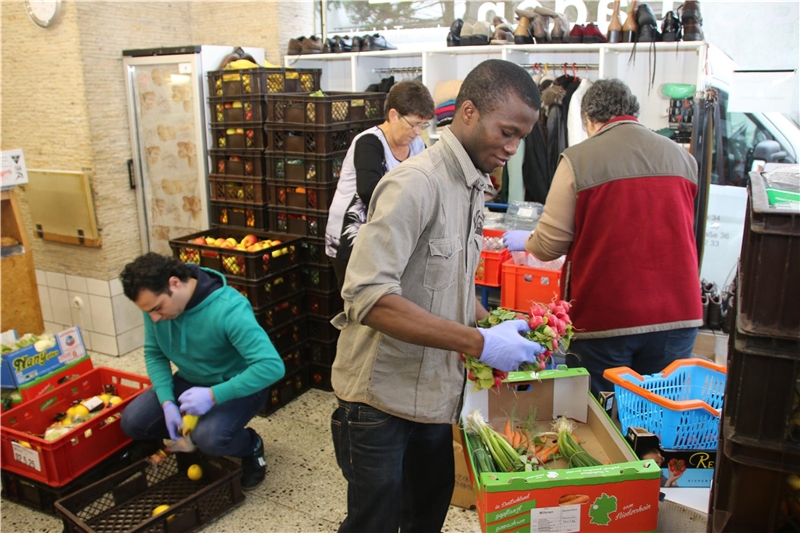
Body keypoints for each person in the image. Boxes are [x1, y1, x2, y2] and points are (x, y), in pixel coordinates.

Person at [329, 59, 544, 533]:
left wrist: (494, 324)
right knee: (376, 524)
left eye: (520, 138)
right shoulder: (416, 183)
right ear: (468, 112)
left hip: (431, 398)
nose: (512, 148)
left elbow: (450, 281)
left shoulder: (470, 186)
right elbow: (368, 296)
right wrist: (479, 345)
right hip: (379, 403)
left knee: (425, 517)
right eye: (506, 132)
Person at [503, 78, 703, 398]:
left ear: (588, 121)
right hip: (679, 313)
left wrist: (527, 240)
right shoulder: (682, 158)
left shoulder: (578, 159)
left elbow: (549, 245)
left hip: (607, 316)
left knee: (598, 415)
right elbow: (688, 236)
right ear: (633, 111)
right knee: (657, 414)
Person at [118, 253, 285, 490]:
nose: (154, 318)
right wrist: (166, 402)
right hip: (190, 381)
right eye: (148, 312)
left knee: (210, 438)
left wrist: (213, 396)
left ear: (174, 283)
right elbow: (154, 353)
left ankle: (251, 444)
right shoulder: (155, 307)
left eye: (157, 308)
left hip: (239, 385)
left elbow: (271, 367)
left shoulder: (229, 309)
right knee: (134, 422)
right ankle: (180, 441)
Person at [325, 79, 435, 290]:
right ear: (394, 115)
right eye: (414, 124)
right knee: (360, 309)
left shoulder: (417, 145)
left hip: (386, 239)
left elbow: (425, 182)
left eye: (423, 125)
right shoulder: (368, 142)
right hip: (353, 239)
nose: (418, 131)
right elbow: (369, 191)